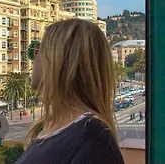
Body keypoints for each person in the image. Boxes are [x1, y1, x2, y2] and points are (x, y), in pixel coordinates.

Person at [16, 19, 124, 163]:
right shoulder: (48, 128)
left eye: (37, 50)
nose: (32, 59)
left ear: (60, 60)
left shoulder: (92, 139)